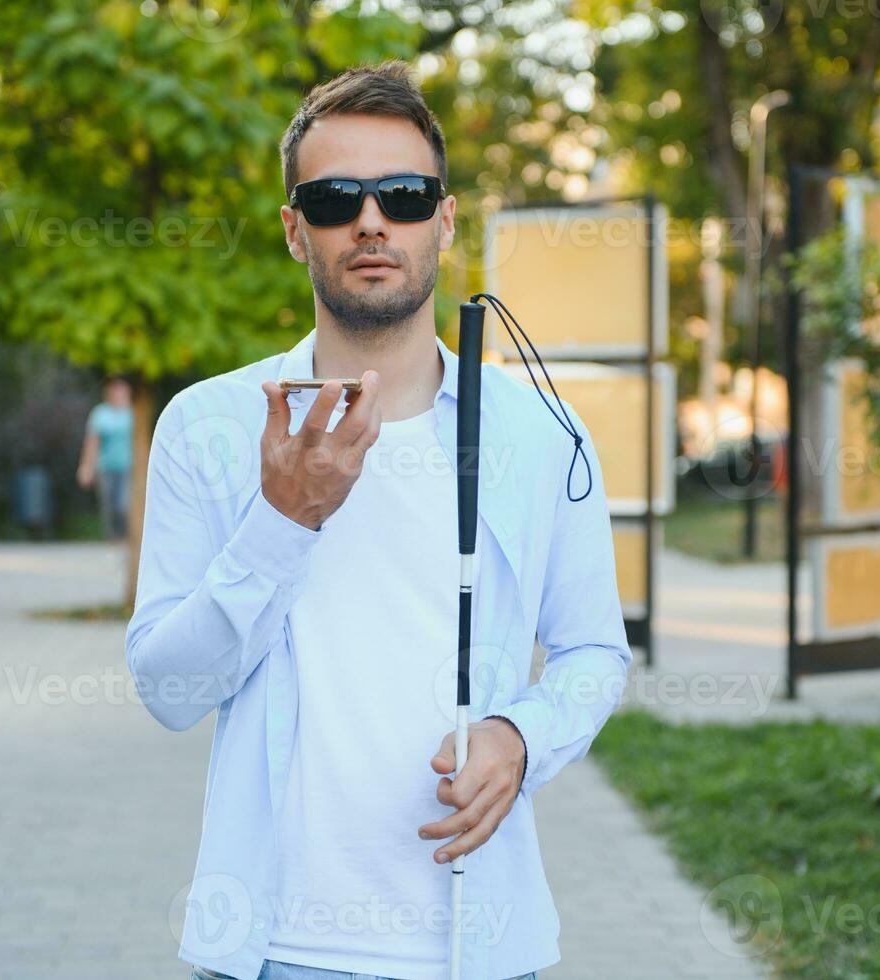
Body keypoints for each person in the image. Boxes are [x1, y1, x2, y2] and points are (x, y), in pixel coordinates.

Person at [126, 61, 631, 980]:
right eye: (332, 198)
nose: (370, 221)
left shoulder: (539, 433)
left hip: (476, 944)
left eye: (402, 194)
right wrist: (283, 520)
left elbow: (593, 651)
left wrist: (522, 737)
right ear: (294, 230)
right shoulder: (209, 426)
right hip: (269, 952)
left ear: (442, 218)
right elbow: (167, 690)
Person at [77, 376, 134, 539]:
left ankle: (126, 538)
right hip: (106, 467)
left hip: (128, 467)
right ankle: (113, 539)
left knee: (124, 505)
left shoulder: (134, 412)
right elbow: (92, 442)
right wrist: (86, 466)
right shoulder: (100, 413)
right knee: (108, 505)